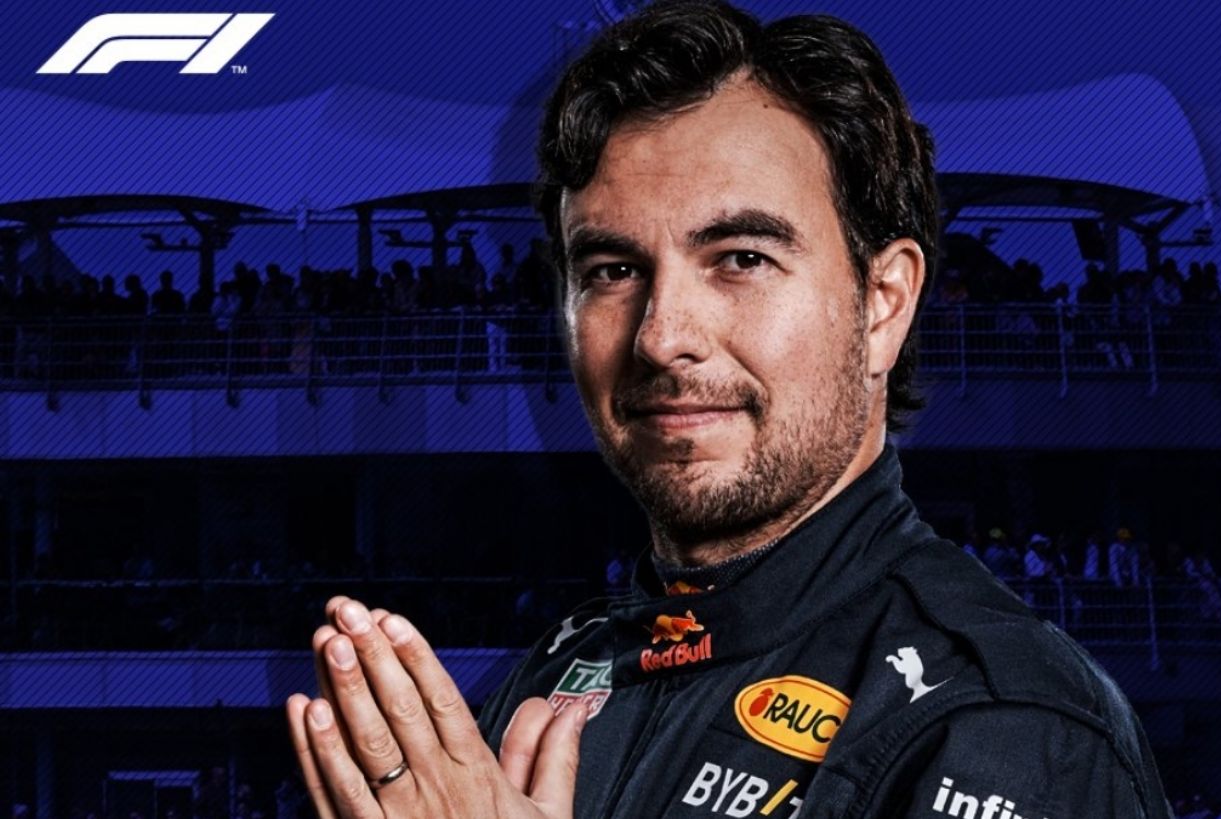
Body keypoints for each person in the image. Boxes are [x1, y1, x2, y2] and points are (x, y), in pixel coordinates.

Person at [285, 3, 1172, 818]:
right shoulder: (559, 674)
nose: (662, 335)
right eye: (611, 270)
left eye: (741, 258)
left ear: (883, 304)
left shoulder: (1008, 725)